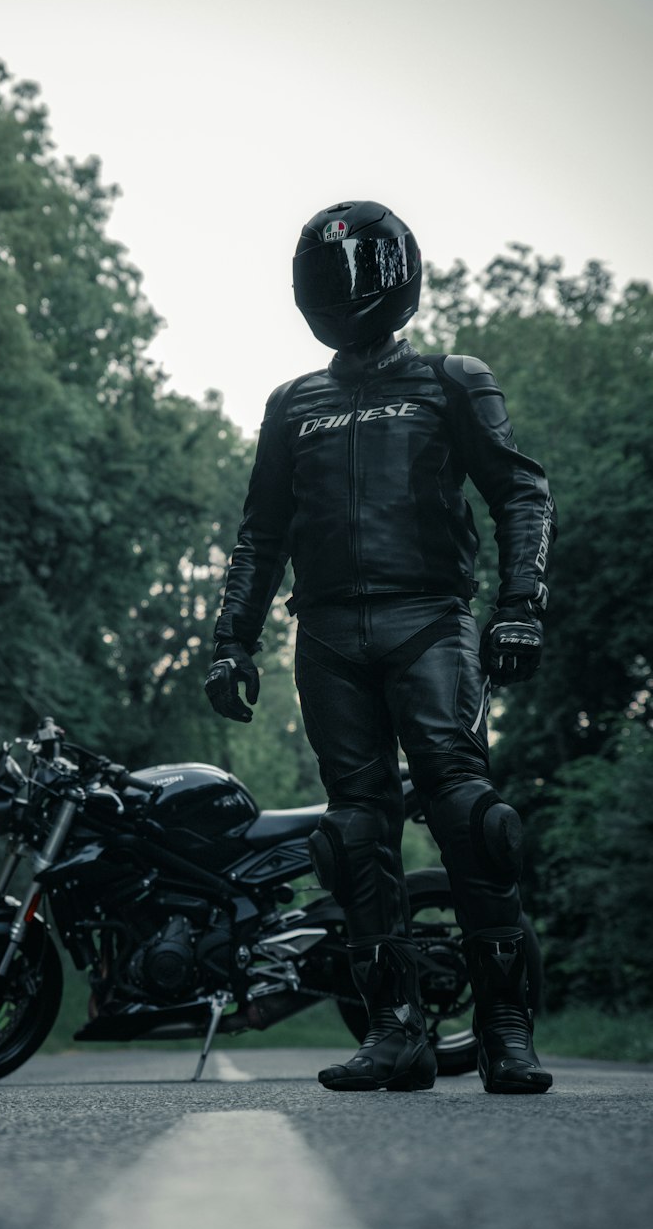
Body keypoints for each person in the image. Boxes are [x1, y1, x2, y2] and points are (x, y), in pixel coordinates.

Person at [204, 200, 555, 1095]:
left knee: (471, 819)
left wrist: (520, 607)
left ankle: (506, 1031)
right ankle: (395, 1030)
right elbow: (260, 536)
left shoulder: (452, 380)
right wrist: (230, 643)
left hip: (430, 622)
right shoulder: (293, 405)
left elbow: (521, 493)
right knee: (355, 832)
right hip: (325, 634)